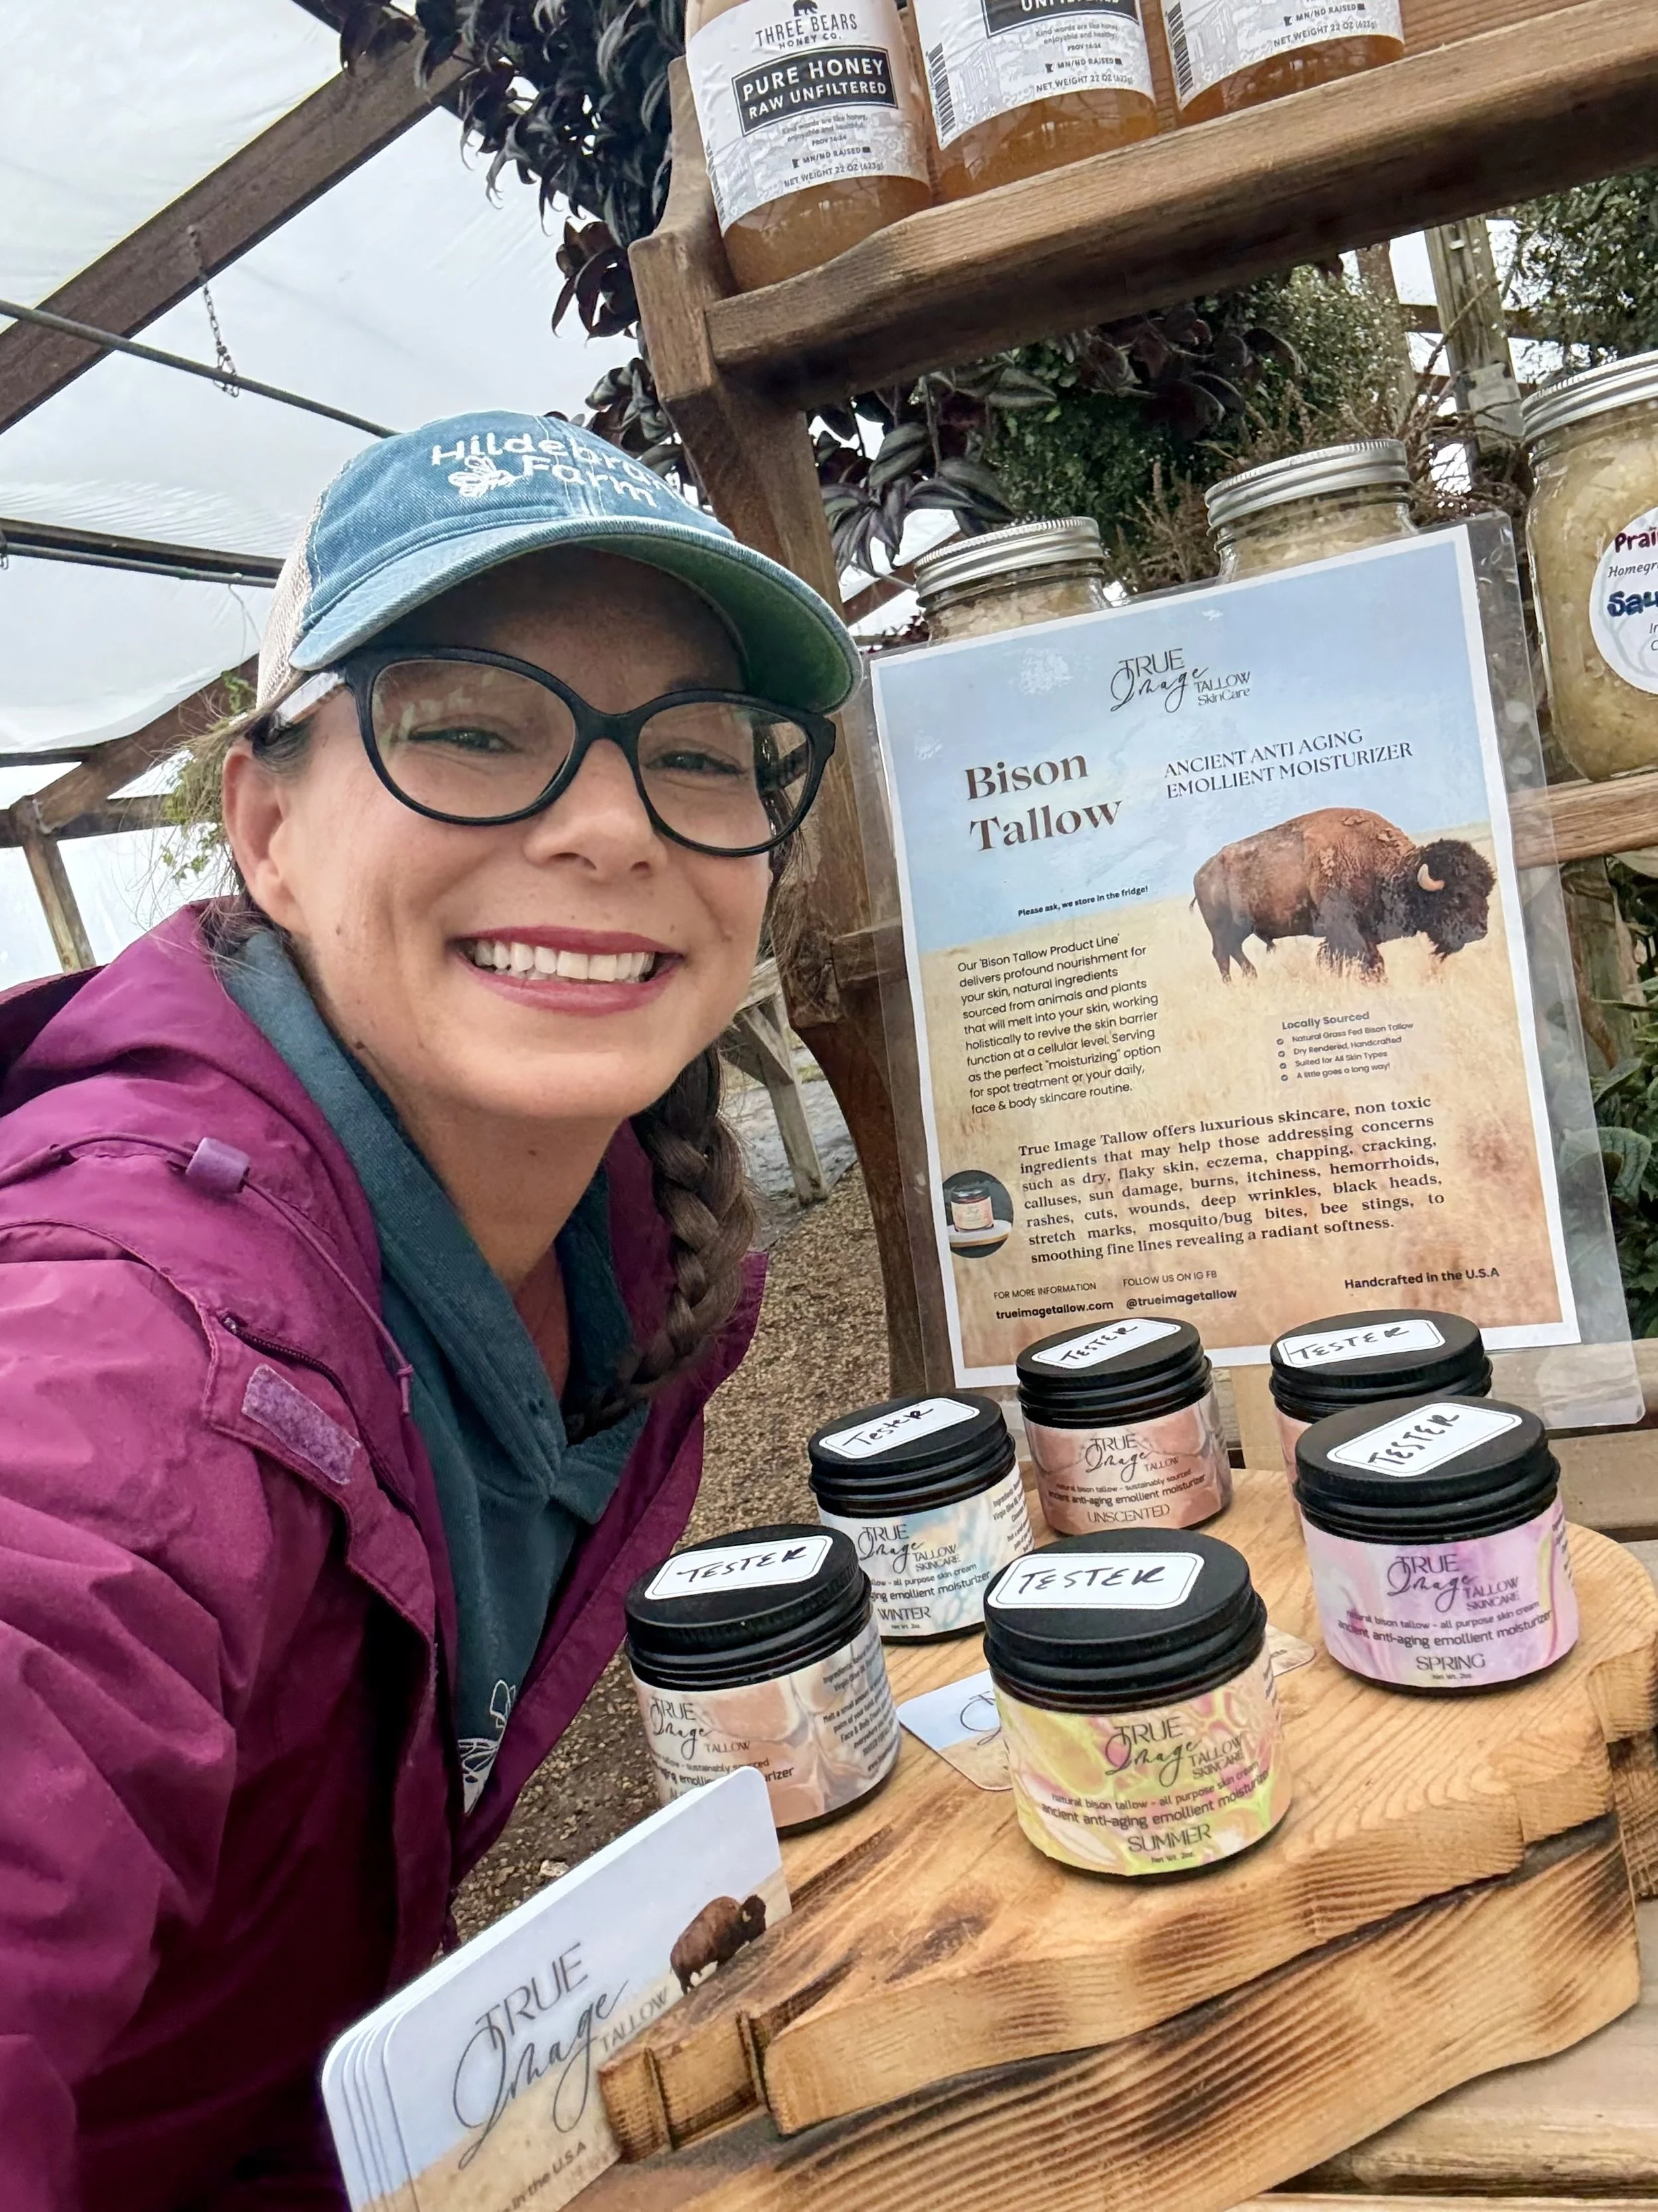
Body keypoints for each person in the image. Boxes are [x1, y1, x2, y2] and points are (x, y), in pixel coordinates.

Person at [0, 411, 860, 2211]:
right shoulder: (129, 1361)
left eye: (698, 756)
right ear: (267, 827)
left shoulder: (627, 1274)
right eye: (471, 728)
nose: (615, 824)